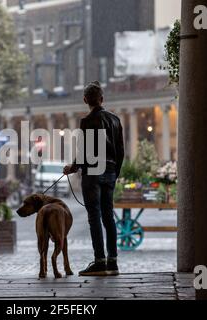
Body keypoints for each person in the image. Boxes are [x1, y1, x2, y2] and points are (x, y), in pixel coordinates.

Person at [64, 81, 124, 276]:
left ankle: (99, 261)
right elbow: (121, 151)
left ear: (85, 100)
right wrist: (116, 172)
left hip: (93, 174)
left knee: (94, 217)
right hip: (110, 172)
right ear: (102, 99)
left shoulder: (87, 120)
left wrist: (72, 168)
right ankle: (113, 262)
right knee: (109, 216)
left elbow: (84, 152)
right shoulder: (115, 120)